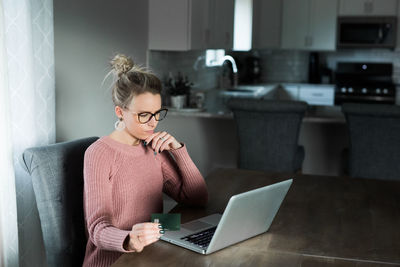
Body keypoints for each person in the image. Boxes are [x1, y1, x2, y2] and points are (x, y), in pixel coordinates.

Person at [82, 54, 208, 267]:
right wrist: (130, 240)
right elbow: (97, 229)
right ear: (120, 112)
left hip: (153, 254)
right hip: (114, 261)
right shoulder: (99, 153)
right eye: (144, 115)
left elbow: (196, 198)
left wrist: (178, 151)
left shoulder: (154, 149)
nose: (153, 123)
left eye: (157, 113)